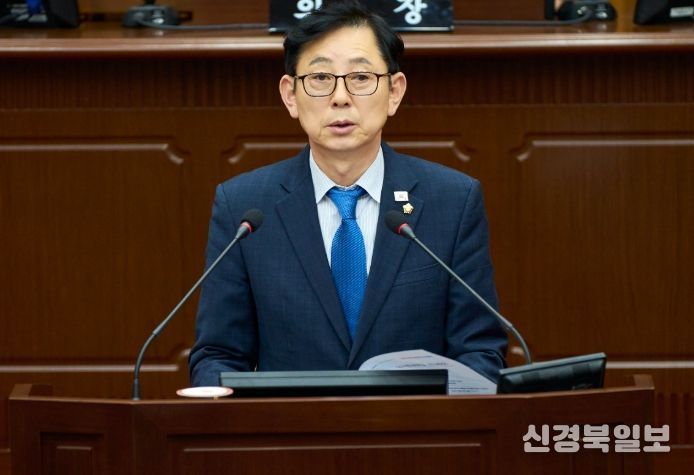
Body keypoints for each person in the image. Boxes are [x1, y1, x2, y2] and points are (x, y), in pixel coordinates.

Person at [189, 1, 507, 387]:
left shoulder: (452, 201)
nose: (340, 97)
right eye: (321, 78)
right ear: (290, 95)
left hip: (414, 424)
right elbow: (219, 355)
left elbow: (479, 351)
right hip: (290, 425)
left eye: (360, 77)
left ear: (394, 91)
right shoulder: (244, 207)